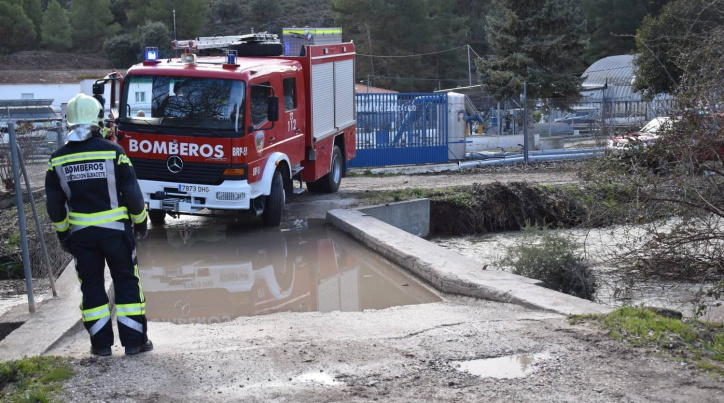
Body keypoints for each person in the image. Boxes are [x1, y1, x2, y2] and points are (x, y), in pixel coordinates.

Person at [45, 93, 152, 357]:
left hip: (81, 237)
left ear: (69, 122)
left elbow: (55, 206)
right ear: (97, 121)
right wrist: (141, 224)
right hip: (117, 234)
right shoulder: (114, 152)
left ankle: (101, 345)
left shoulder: (57, 159)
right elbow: (133, 195)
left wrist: (63, 234)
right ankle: (134, 343)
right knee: (126, 281)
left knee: (91, 286)